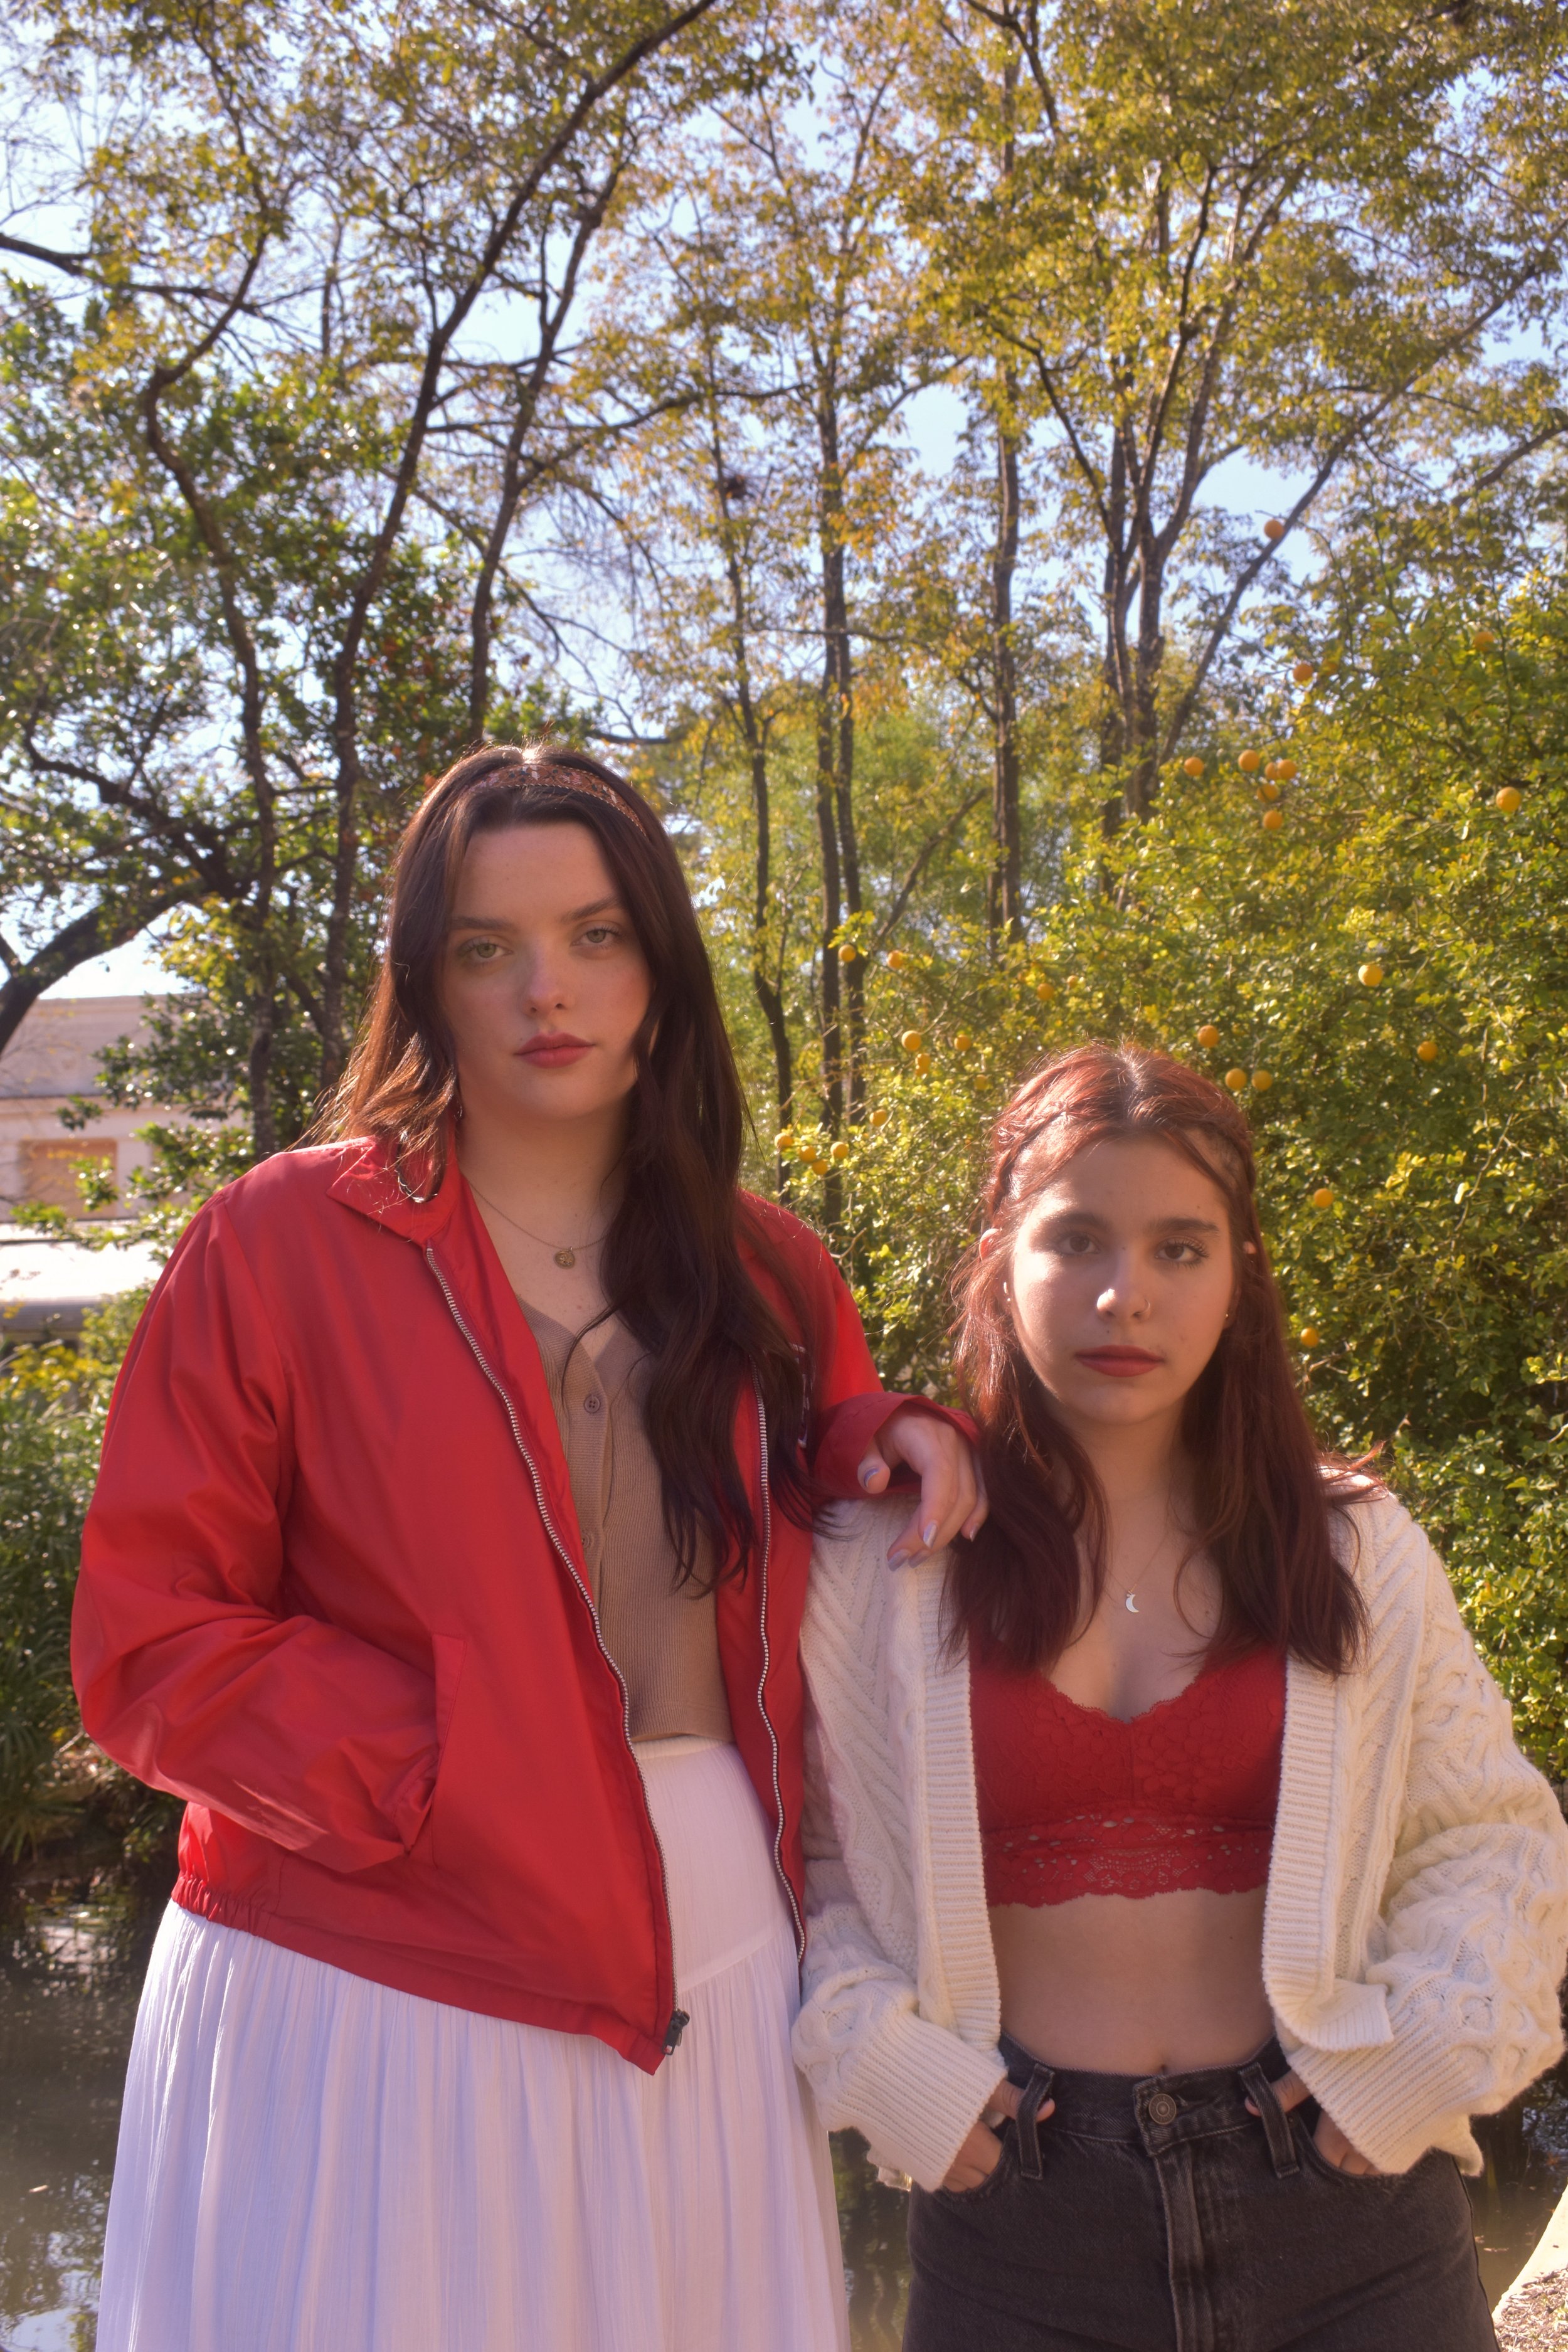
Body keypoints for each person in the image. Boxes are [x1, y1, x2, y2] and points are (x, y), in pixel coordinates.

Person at [74, 742, 984, 2352]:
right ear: (425, 981)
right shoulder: (274, 1245)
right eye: (485, 949)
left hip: (707, 1925)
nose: (541, 990)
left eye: (594, 935)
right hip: (368, 1944)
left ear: (660, 967)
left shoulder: (768, 1273)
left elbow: (809, 1479)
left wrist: (880, 1436)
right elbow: (150, 1652)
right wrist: (452, 1768)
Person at [793, 1044, 1568, 2352]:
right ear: (1000, 1255)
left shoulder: (1349, 1547)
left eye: (1177, 1248)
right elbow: (802, 1864)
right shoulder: (883, 1562)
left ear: (1238, 1274)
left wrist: (1406, 2065)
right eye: (1076, 1239)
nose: (1122, 1295)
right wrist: (887, 2068)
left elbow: (1488, 1834)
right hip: (1015, 2234)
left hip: (1345, 2206)